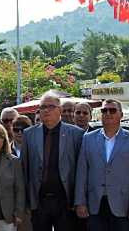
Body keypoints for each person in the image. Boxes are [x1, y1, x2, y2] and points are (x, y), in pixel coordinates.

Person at [75, 100, 129, 231]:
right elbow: (82, 173)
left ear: (121, 114)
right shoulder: (88, 139)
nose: (108, 113)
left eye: (112, 110)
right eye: (104, 110)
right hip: (95, 205)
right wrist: (80, 202)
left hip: (123, 206)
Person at [21, 91, 84, 231]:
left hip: (65, 200)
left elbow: (81, 171)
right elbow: (25, 169)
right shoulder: (29, 134)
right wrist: (26, 201)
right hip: (39, 200)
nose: (46, 110)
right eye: (43, 107)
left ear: (60, 110)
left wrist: (79, 200)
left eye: (51, 106)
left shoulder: (76, 134)